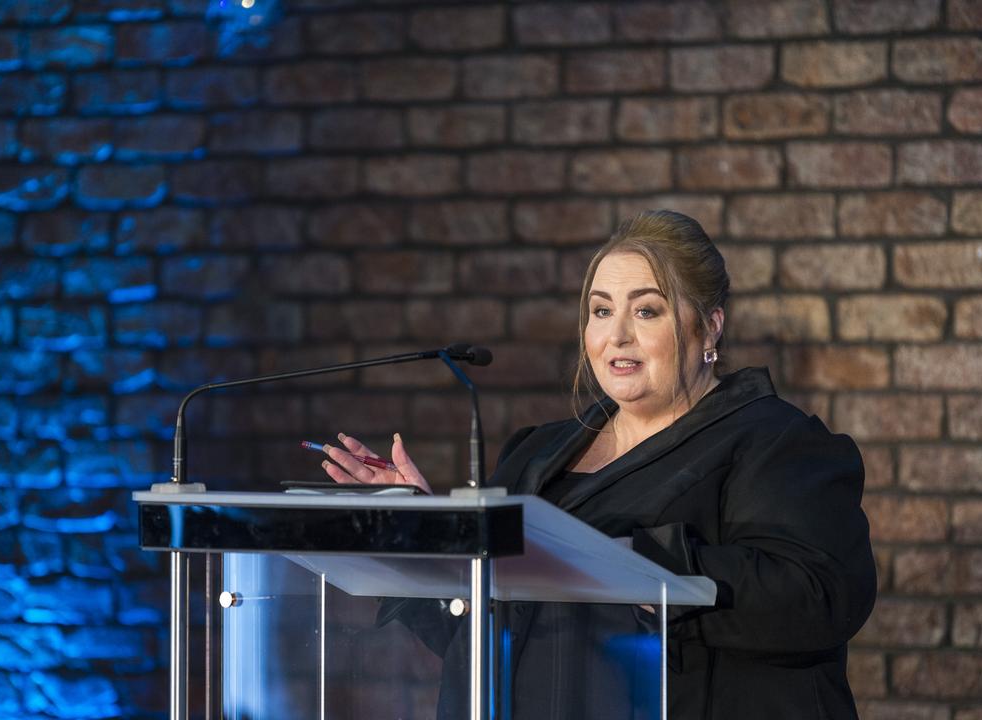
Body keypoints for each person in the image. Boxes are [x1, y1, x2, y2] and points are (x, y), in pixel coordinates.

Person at [319, 210, 877, 719]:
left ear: (709, 327)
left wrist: (642, 563)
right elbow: (477, 638)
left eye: (647, 310)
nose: (617, 335)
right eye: (602, 310)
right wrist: (423, 533)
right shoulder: (534, 453)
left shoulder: (776, 441)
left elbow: (820, 597)